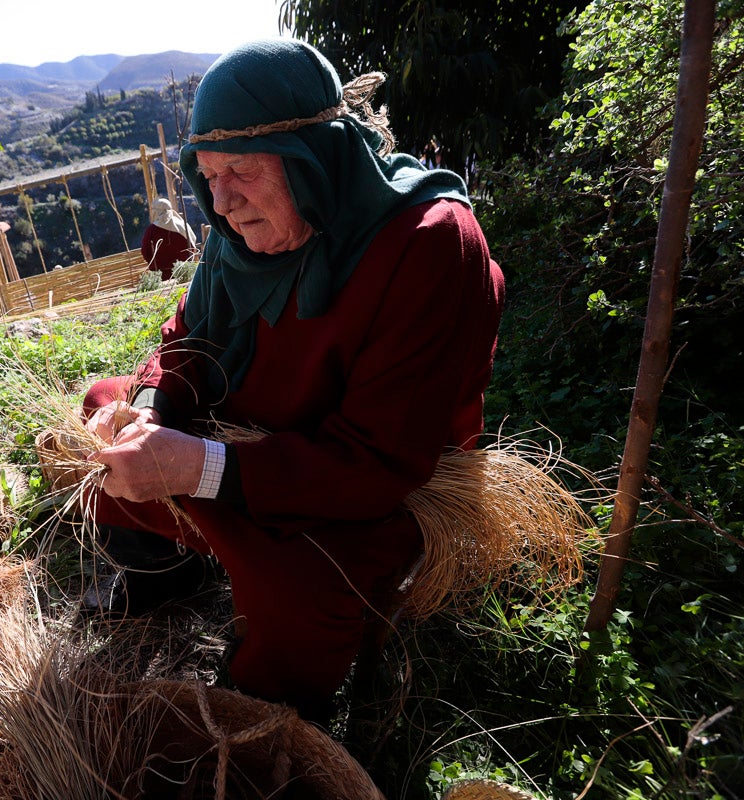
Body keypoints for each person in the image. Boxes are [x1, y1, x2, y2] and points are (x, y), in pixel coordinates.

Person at [80, 38, 505, 722]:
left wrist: (197, 467)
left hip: (355, 491)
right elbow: (184, 339)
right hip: (252, 443)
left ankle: (263, 714)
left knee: (301, 590)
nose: (221, 202)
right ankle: (162, 571)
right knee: (105, 407)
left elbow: (377, 463)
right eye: (207, 175)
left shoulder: (428, 243)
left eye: (241, 171)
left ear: (314, 156)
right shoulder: (241, 230)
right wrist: (151, 410)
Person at [140, 197, 197, 279]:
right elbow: (192, 245)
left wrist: (152, 263)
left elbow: (145, 249)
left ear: (157, 211)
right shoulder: (182, 225)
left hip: (161, 274)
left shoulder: (152, 229)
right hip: (184, 271)